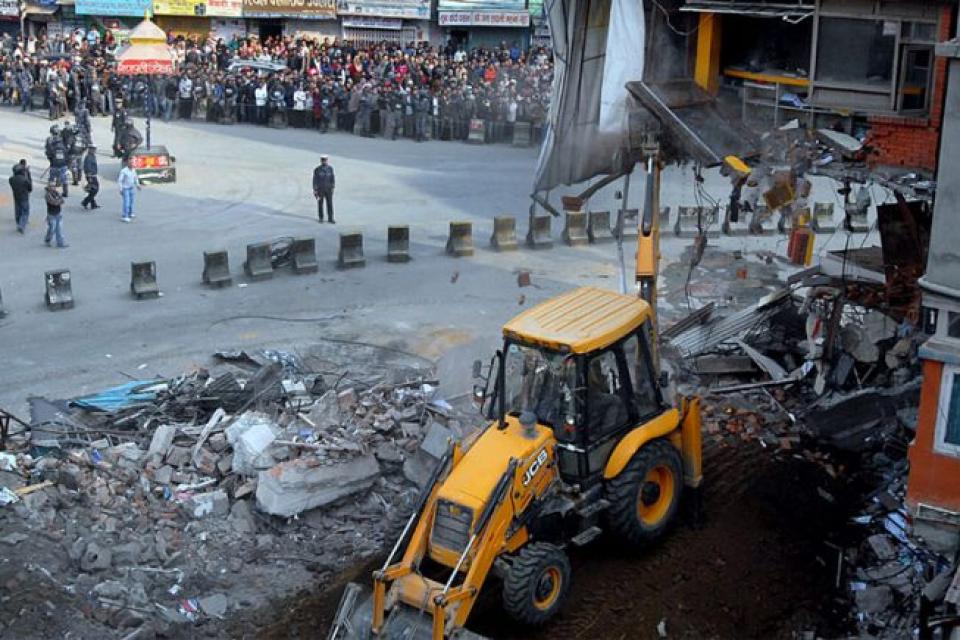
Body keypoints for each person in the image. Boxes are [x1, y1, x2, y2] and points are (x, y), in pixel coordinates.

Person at [45, 125, 69, 197]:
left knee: (52, 178)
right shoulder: (63, 139)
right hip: (63, 163)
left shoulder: (49, 139)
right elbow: (67, 151)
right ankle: (65, 192)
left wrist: (50, 159)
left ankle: (51, 191)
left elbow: (48, 152)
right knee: (64, 178)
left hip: (54, 164)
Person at [9, 159, 32, 234]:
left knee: (17, 211)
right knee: (25, 211)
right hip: (24, 197)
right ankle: (21, 226)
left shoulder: (11, 179)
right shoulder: (24, 180)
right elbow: (30, 188)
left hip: (16, 197)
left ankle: (18, 223)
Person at [312, 154, 335, 223]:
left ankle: (330, 218)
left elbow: (332, 178)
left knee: (330, 204)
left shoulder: (330, 169)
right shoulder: (317, 169)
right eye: (323, 160)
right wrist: (315, 189)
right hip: (320, 189)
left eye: (325, 160)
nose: (324, 162)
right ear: (321, 161)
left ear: (327, 160)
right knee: (320, 204)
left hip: (328, 189)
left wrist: (333, 187)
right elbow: (315, 180)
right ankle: (321, 217)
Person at [44, 180, 67, 248]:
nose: (53, 187)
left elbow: (62, 200)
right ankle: (47, 239)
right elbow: (54, 202)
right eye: (51, 186)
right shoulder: (47, 195)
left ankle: (60, 243)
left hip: (58, 213)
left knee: (59, 229)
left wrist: (58, 201)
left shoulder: (57, 193)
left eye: (54, 186)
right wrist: (58, 201)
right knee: (52, 229)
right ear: (48, 187)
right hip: (51, 214)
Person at [118, 158, 141, 222]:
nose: (132, 164)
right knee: (126, 202)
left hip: (131, 188)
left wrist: (138, 185)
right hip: (125, 189)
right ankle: (125, 216)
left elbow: (135, 178)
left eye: (133, 163)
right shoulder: (124, 171)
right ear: (128, 163)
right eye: (130, 163)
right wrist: (120, 189)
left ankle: (130, 213)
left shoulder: (133, 170)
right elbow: (120, 181)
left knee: (131, 202)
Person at [81, 144, 99, 210]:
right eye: (93, 149)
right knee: (95, 189)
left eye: (95, 149)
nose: (94, 150)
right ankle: (85, 201)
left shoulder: (92, 156)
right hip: (91, 176)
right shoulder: (88, 157)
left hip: (93, 175)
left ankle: (93, 204)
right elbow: (87, 167)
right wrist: (89, 176)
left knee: (92, 190)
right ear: (90, 149)